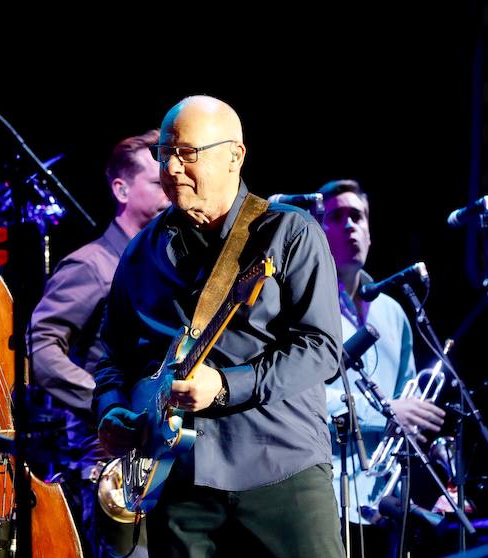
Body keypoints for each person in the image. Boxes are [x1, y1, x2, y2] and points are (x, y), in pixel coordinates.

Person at [93, 95, 345, 558]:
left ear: (235, 156)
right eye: (163, 154)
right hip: (177, 484)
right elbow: (112, 354)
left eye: (187, 154)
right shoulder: (139, 253)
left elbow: (321, 348)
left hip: (281, 474)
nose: (170, 168)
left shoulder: (289, 233)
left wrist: (226, 386)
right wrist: (111, 407)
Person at [28, 129, 169, 557]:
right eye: (157, 181)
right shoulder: (91, 264)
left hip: (164, 456)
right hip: (110, 459)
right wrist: (104, 400)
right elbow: (41, 345)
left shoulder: (167, 264)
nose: (171, 187)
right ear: (121, 189)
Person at [319, 179, 445, 556]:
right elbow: (296, 396)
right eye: (336, 217)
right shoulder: (305, 307)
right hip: (328, 493)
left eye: (357, 216)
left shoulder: (393, 312)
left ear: (371, 233)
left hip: (384, 502)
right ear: (319, 232)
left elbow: (407, 399)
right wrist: (385, 412)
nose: (349, 226)